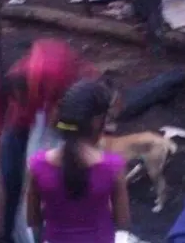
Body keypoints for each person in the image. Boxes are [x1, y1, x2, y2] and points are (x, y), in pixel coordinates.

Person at [0, 40, 100, 242]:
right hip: (31, 117)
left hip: (64, 116)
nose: (16, 105)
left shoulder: (54, 75)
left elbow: (67, 121)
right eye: (12, 101)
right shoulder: (0, 82)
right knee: (10, 174)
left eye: (19, 100)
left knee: (50, 177)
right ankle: (10, 234)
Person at [26, 81, 130, 243]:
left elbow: (33, 219)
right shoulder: (113, 166)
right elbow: (122, 221)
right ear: (97, 122)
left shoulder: (38, 165)